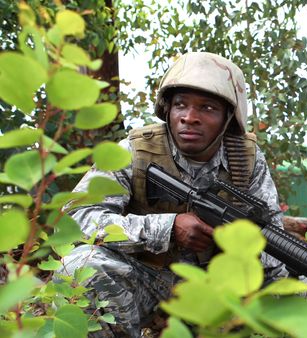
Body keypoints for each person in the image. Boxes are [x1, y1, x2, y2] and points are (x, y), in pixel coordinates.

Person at [59, 52, 287, 337]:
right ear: (167, 109)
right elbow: (77, 217)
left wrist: (238, 247)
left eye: (207, 108)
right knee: (81, 267)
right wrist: (166, 228)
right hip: (149, 279)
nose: (190, 118)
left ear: (228, 118)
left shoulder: (246, 160)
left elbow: (274, 239)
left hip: (219, 286)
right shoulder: (135, 152)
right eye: (181, 105)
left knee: (285, 295)